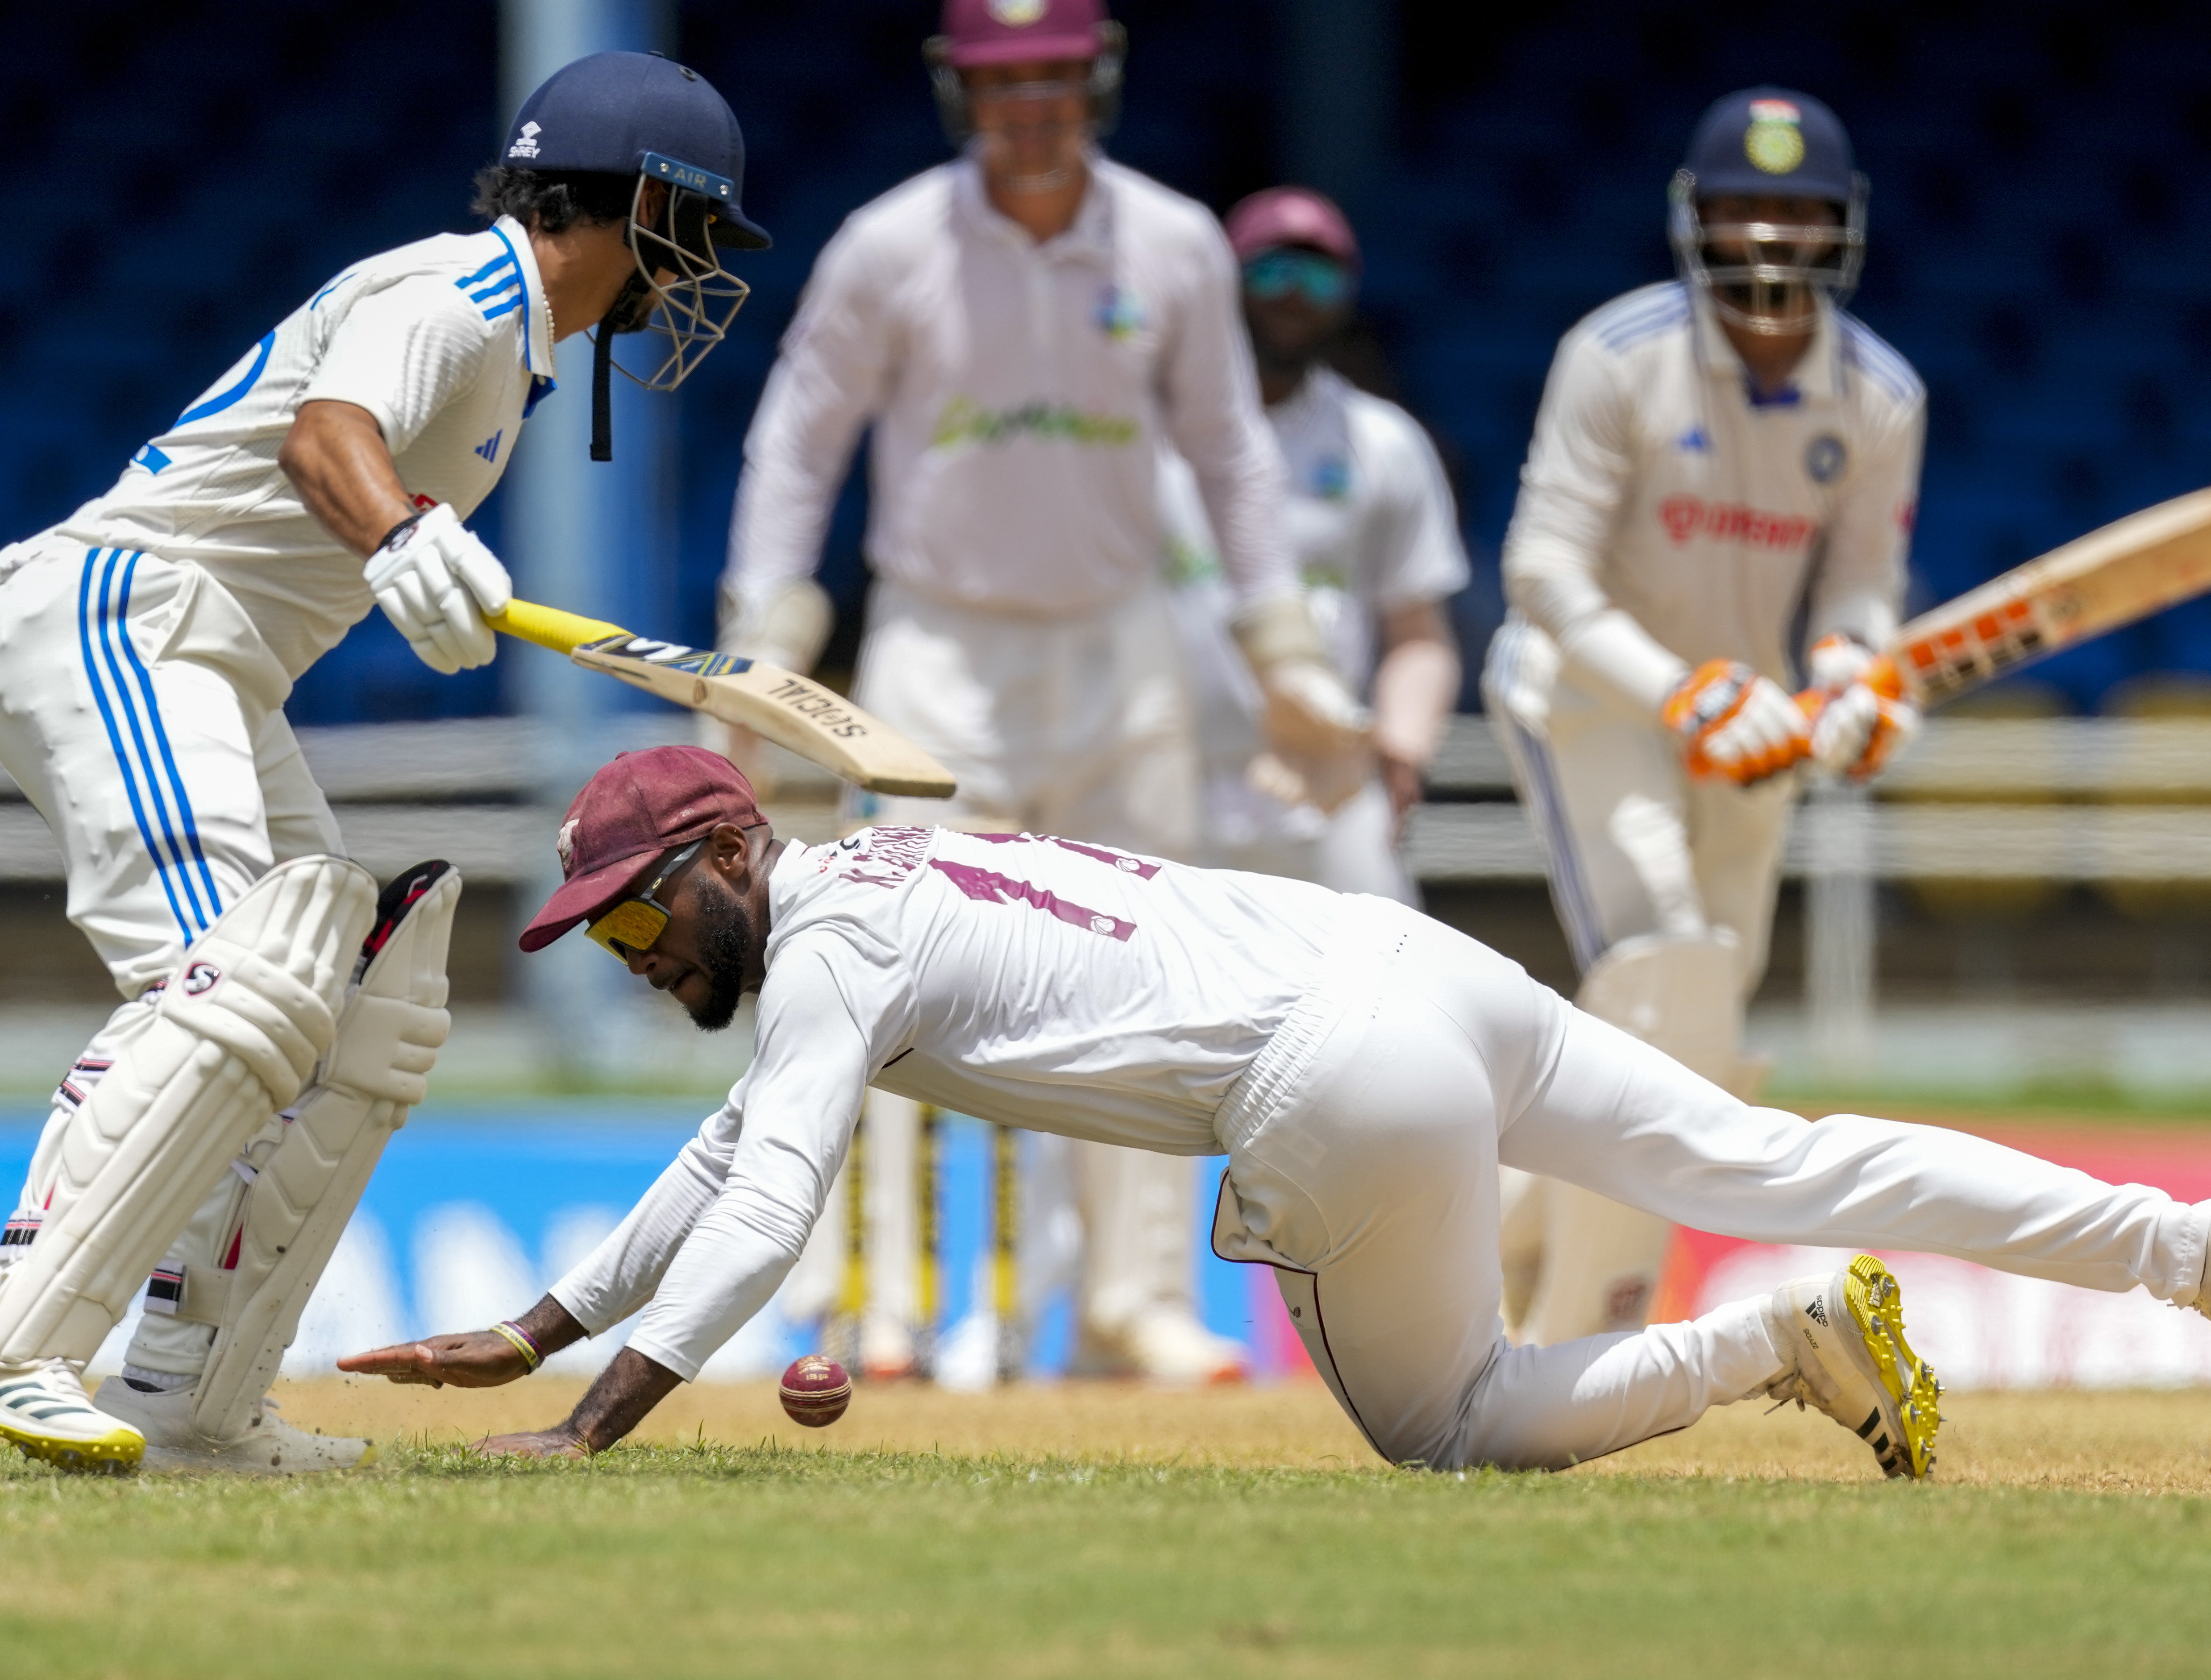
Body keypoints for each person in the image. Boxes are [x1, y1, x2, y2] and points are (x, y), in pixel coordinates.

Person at [341, 745, 2211, 1477]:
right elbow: (724, 1157)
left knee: (1447, 1423)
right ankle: (2196, 1252)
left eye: (633, 910)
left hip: (1333, 1069)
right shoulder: (866, 898)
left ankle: (1780, 1335)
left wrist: (582, 1421)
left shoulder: (830, 948)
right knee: (1778, 1149)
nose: (622, 949)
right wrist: (538, 1317)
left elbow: (770, 1198)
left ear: (721, 853)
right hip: (1414, 968)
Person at [0, 52, 770, 1474]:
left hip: (211, 663)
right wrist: (403, 535)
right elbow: (328, 436)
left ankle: (194, 1399)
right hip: (127, 612)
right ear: (644, 203)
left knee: (361, 1004)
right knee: (242, 978)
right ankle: (2, 1342)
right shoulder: (465, 294)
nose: (703, 267)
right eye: (700, 229)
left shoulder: (515, 344)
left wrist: (404, 533)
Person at [714, 0, 1361, 1383]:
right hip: (934, 651)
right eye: (1007, 87)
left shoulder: (1174, 242)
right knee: (882, 971)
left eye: (1058, 82)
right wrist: (762, 637)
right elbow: (798, 440)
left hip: (1122, 643)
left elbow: (1233, 454)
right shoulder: (894, 244)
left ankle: (1134, 1299)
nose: (1034, 114)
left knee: (1153, 975)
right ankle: (886, 1299)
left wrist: (1285, 651)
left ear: (1099, 83)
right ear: (962, 92)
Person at [1485, 87, 1925, 1348]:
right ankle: (1587, 1325)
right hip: (1592, 696)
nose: (1772, 240)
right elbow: (1543, 574)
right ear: (1696, 220)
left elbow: (1856, 585)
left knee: (1706, 1015)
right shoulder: (1618, 356)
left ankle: (1500, 1220)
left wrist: (1852, 675)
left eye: (1797, 212)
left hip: (1754, 714)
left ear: (1841, 226)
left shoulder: (1881, 394)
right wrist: (1681, 692)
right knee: (1665, 959)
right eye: (1747, 209)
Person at [1160, 187, 1466, 900]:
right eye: (1271, 272)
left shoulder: (1383, 443)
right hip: (1168, 784)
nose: (1295, 296)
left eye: (1321, 277)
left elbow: (1417, 631)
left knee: (1385, 992)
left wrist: (1400, 744)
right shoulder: (1148, 434)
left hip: (1328, 783)